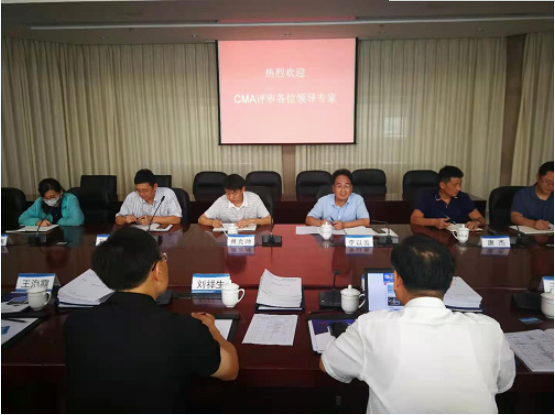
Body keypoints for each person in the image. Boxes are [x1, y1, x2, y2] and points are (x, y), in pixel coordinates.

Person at [320, 235, 515, 414]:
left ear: (397, 280)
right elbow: (503, 383)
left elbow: (327, 365)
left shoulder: (370, 326)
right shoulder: (489, 329)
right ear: (450, 283)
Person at [64, 227, 239, 413]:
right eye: (163, 258)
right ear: (156, 270)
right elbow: (230, 369)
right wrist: (212, 329)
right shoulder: (183, 329)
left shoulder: (75, 324)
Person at [410, 165, 485, 230]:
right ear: (442, 185)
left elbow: (481, 219)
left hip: (458, 237)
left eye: (460, 184)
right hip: (433, 237)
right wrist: (434, 222)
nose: (459, 188)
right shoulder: (427, 196)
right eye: (455, 185)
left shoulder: (463, 197)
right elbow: (414, 219)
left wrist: (476, 222)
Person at [198, 174, 271, 228]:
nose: (230, 197)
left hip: (250, 237)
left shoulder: (254, 199)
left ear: (243, 190)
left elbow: (269, 220)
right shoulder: (221, 201)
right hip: (228, 238)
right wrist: (212, 222)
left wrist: (251, 221)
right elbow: (201, 219)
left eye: (234, 193)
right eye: (227, 193)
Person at [305, 169, 370, 230]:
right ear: (333, 188)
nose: (343, 190)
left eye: (346, 186)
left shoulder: (357, 200)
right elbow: (308, 219)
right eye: (339, 186)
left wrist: (344, 225)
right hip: (327, 235)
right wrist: (320, 223)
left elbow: (366, 221)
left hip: (349, 237)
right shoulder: (323, 201)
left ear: (351, 188)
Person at [115, 169, 182, 226]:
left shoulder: (167, 194)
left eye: (145, 190)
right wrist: (125, 219)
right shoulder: (131, 197)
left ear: (155, 187)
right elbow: (118, 219)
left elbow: (176, 219)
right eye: (138, 190)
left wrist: (151, 219)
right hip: (140, 234)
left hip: (164, 235)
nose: (141, 194)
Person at [19, 178, 84, 227]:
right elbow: (22, 218)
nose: (49, 200)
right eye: (46, 198)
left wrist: (59, 222)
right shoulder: (39, 202)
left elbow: (78, 221)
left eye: (52, 197)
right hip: (47, 237)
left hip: (67, 235)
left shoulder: (70, 199)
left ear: (61, 192)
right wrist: (37, 222)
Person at [511, 161, 554, 229]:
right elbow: (515, 217)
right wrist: (533, 224)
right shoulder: (523, 195)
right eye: (548, 181)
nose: (551, 186)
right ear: (538, 177)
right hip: (528, 234)